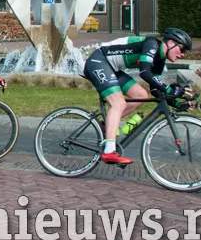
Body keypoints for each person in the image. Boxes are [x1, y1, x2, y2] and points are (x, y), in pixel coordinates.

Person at [82, 27, 194, 165]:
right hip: (99, 61)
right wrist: (170, 90)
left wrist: (175, 103)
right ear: (171, 43)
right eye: (182, 49)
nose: (182, 54)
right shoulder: (152, 44)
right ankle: (109, 151)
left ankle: (106, 125)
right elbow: (145, 72)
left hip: (112, 68)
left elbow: (155, 90)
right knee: (119, 103)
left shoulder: (160, 61)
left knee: (141, 95)